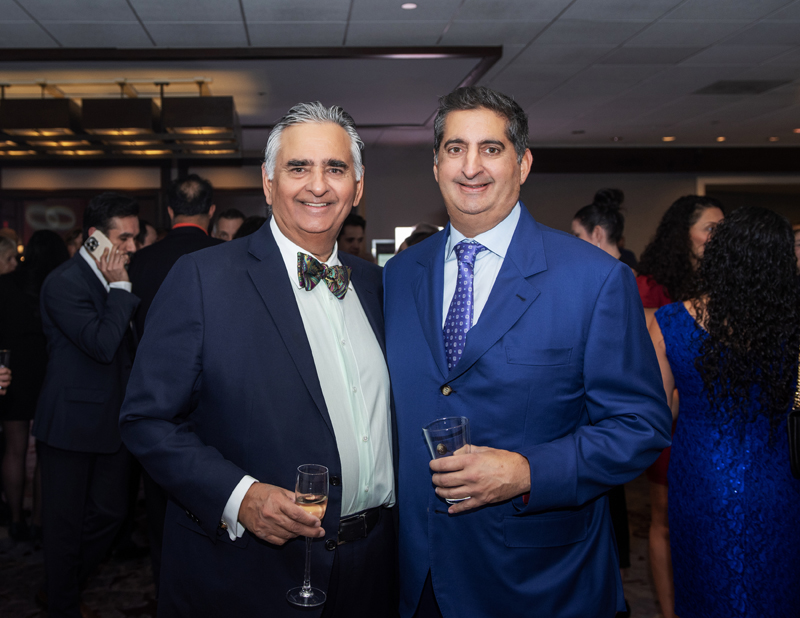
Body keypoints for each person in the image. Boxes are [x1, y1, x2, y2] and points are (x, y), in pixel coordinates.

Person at [383, 86, 672, 618]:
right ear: (436, 162)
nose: (471, 166)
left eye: (490, 149)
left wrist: (526, 472)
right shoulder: (399, 276)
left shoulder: (594, 279)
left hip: (541, 583)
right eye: (454, 148)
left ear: (523, 161)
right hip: (419, 578)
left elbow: (640, 424)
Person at [120, 102, 397, 617]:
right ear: (268, 183)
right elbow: (146, 419)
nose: (318, 185)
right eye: (298, 168)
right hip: (249, 571)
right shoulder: (203, 279)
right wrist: (239, 495)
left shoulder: (382, 286)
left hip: (375, 568)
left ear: (357, 188)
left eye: (335, 169)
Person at [649, 206, 800, 617]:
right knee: (774, 585)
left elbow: (657, 418)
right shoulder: (791, 323)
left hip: (700, 473)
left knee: (706, 585)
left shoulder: (669, 322)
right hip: (777, 474)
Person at [33, 192, 140, 617]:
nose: (132, 247)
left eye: (135, 238)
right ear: (94, 239)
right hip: (69, 423)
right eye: (124, 238)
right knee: (63, 526)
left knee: (112, 515)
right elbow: (100, 344)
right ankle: (61, 603)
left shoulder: (117, 281)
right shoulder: (63, 283)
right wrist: (120, 289)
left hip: (112, 422)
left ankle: (61, 585)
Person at [127, 174, 223, 590]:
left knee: (159, 507)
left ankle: (168, 587)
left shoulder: (142, 261)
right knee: (216, 497)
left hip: (156, 399)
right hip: (216, 401)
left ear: (169, 211)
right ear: (212, 212)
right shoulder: (226, 258)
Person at [635, 194, 724, 618]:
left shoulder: (728, 282)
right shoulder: (653, 286)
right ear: (682, 232)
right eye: (709, 227)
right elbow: (645, 358)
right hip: (670, 415)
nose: (716, 236)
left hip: (716, 419)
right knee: (665, 520)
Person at [0, 230, 69, 542]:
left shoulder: (8, 282)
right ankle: (40, 521)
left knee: (13, 449)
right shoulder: (58, 284)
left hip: (11, 370)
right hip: (45, 372)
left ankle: (15, 519)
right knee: (43, 453)